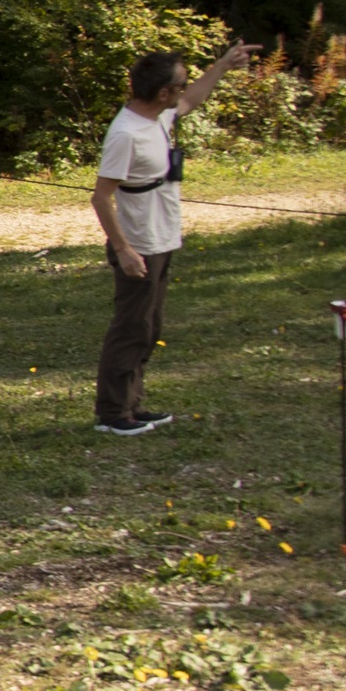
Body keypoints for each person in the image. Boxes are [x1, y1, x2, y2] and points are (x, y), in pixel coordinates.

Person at [92, 43, 248, 436]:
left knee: (150, 326)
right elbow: (101, 196)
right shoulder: (126, 134)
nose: (184, 89)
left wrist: (223, 66)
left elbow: (193, 98)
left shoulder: (157, 116)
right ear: (162, 92)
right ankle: (112, 414)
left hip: (161, 238)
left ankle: (131, 405)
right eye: (179, 84)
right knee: (132, 328)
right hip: (139, 244)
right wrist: (124, 250)